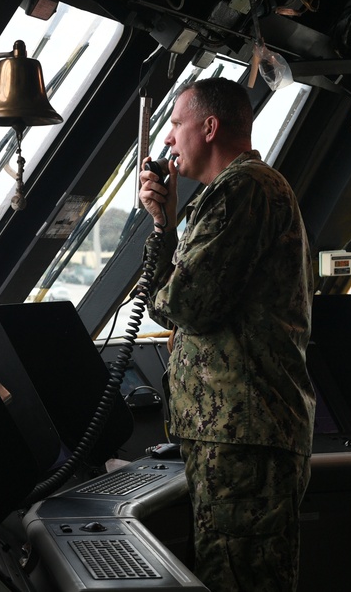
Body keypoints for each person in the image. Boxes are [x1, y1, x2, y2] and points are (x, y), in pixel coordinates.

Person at [138, 77, 315, 592]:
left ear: (209, 127)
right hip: (235, 435)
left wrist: (161, 244)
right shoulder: (233, 193)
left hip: (244, 439)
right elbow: (184, 302)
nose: (168, 139)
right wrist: (166, 226)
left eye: (175, 125)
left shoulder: (244, 189)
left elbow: (185, 304)